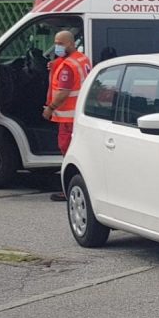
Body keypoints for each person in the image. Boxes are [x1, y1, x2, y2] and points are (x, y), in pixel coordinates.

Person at [42, 30, 91, 201]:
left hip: (68, 118)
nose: (57, 46)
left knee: (68, 153)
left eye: (60, 43)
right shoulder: (81, 59)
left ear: (70, 44)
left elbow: (63, 92)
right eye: (56, 42)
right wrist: (56, 64)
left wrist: (50, 108)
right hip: (78, 115)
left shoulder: (68, 66)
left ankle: (68, 189)